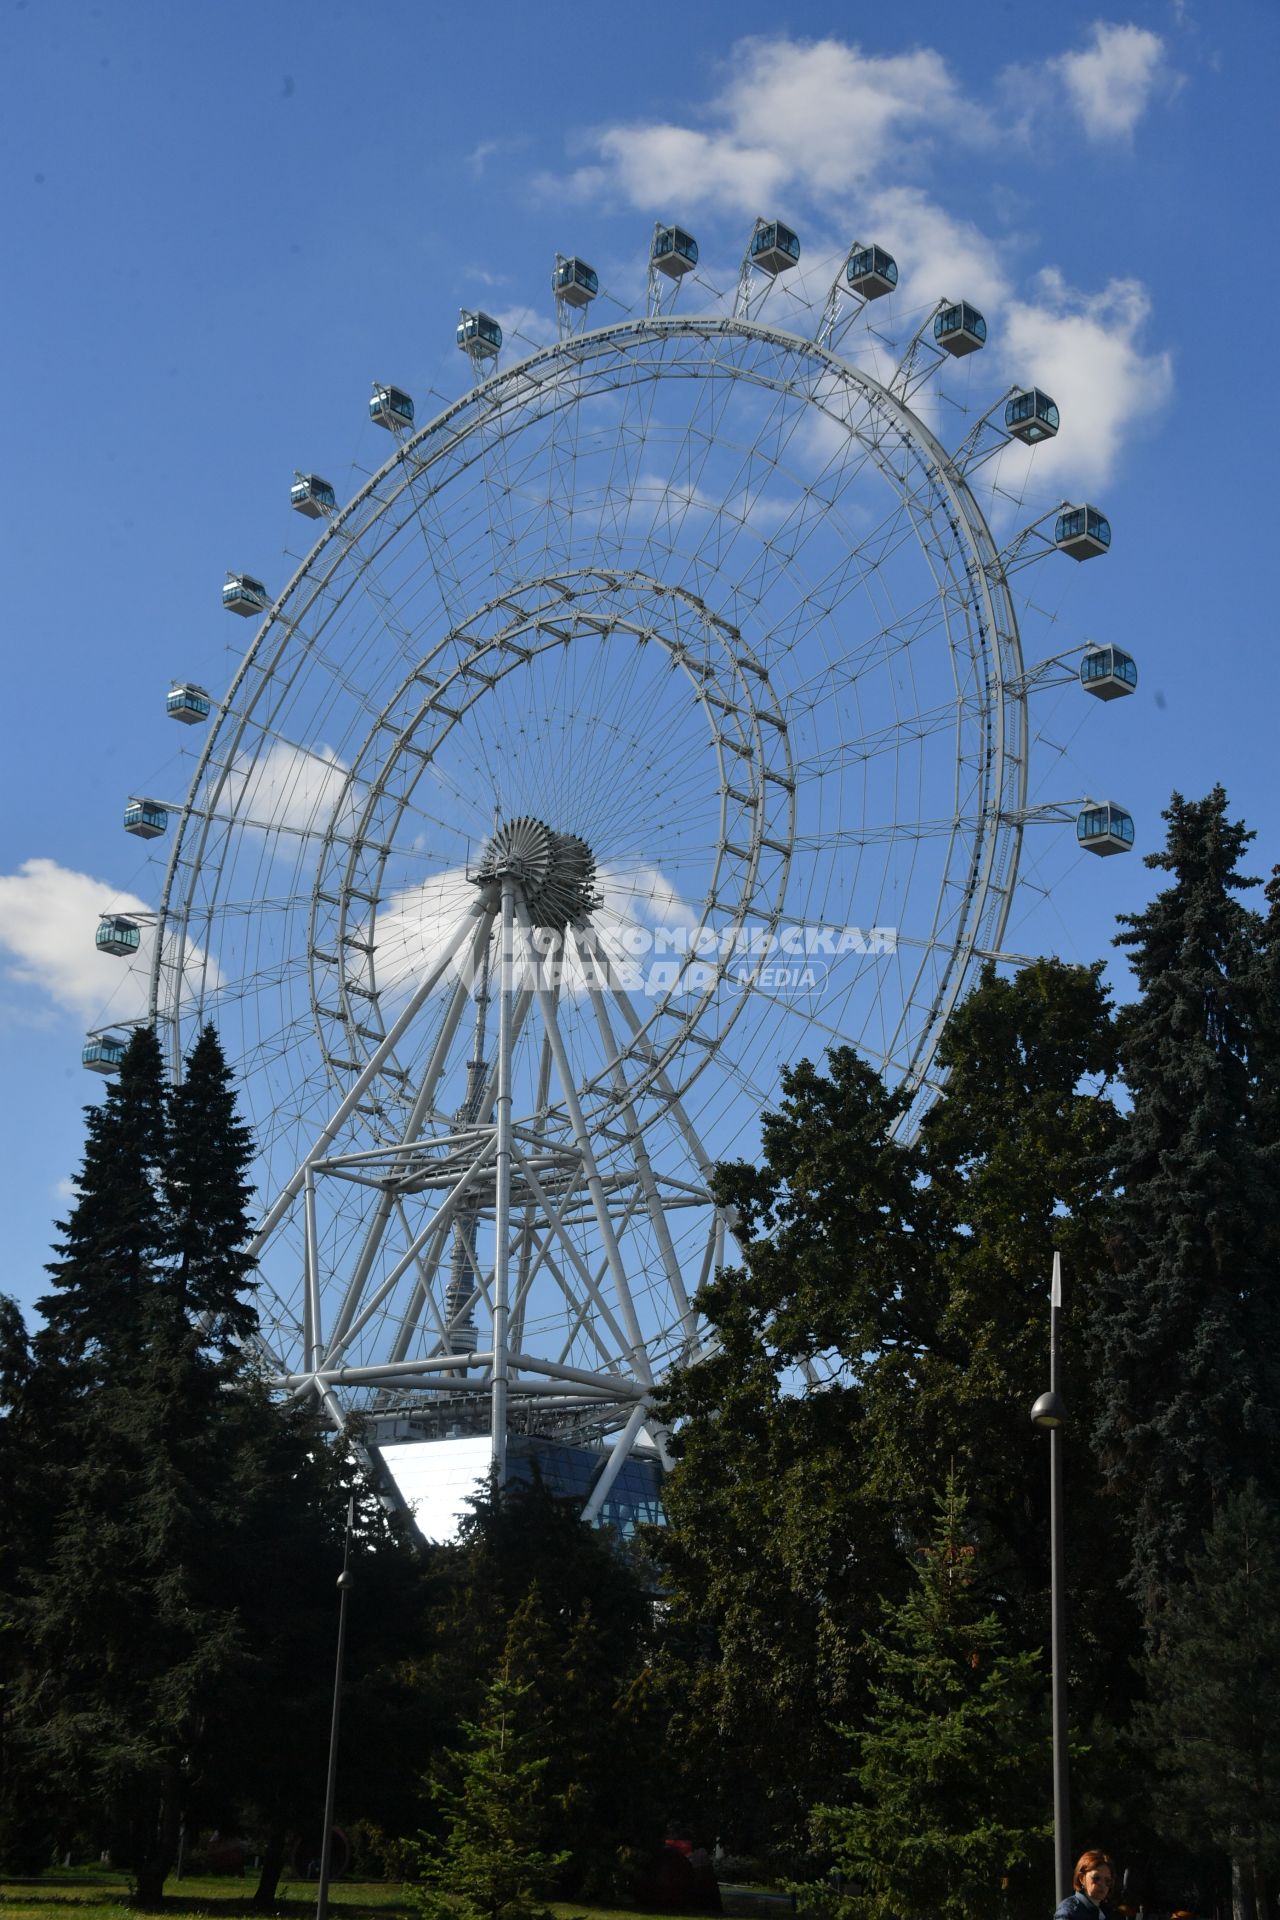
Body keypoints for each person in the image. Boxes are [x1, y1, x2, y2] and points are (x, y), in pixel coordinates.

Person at [1055, 1850, 1116, 1920]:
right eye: (1096, 1878)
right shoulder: (1068, 1911)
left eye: (1107, 1880)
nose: (1102, 1884)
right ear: (1082, 1878)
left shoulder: (1109, 1911)